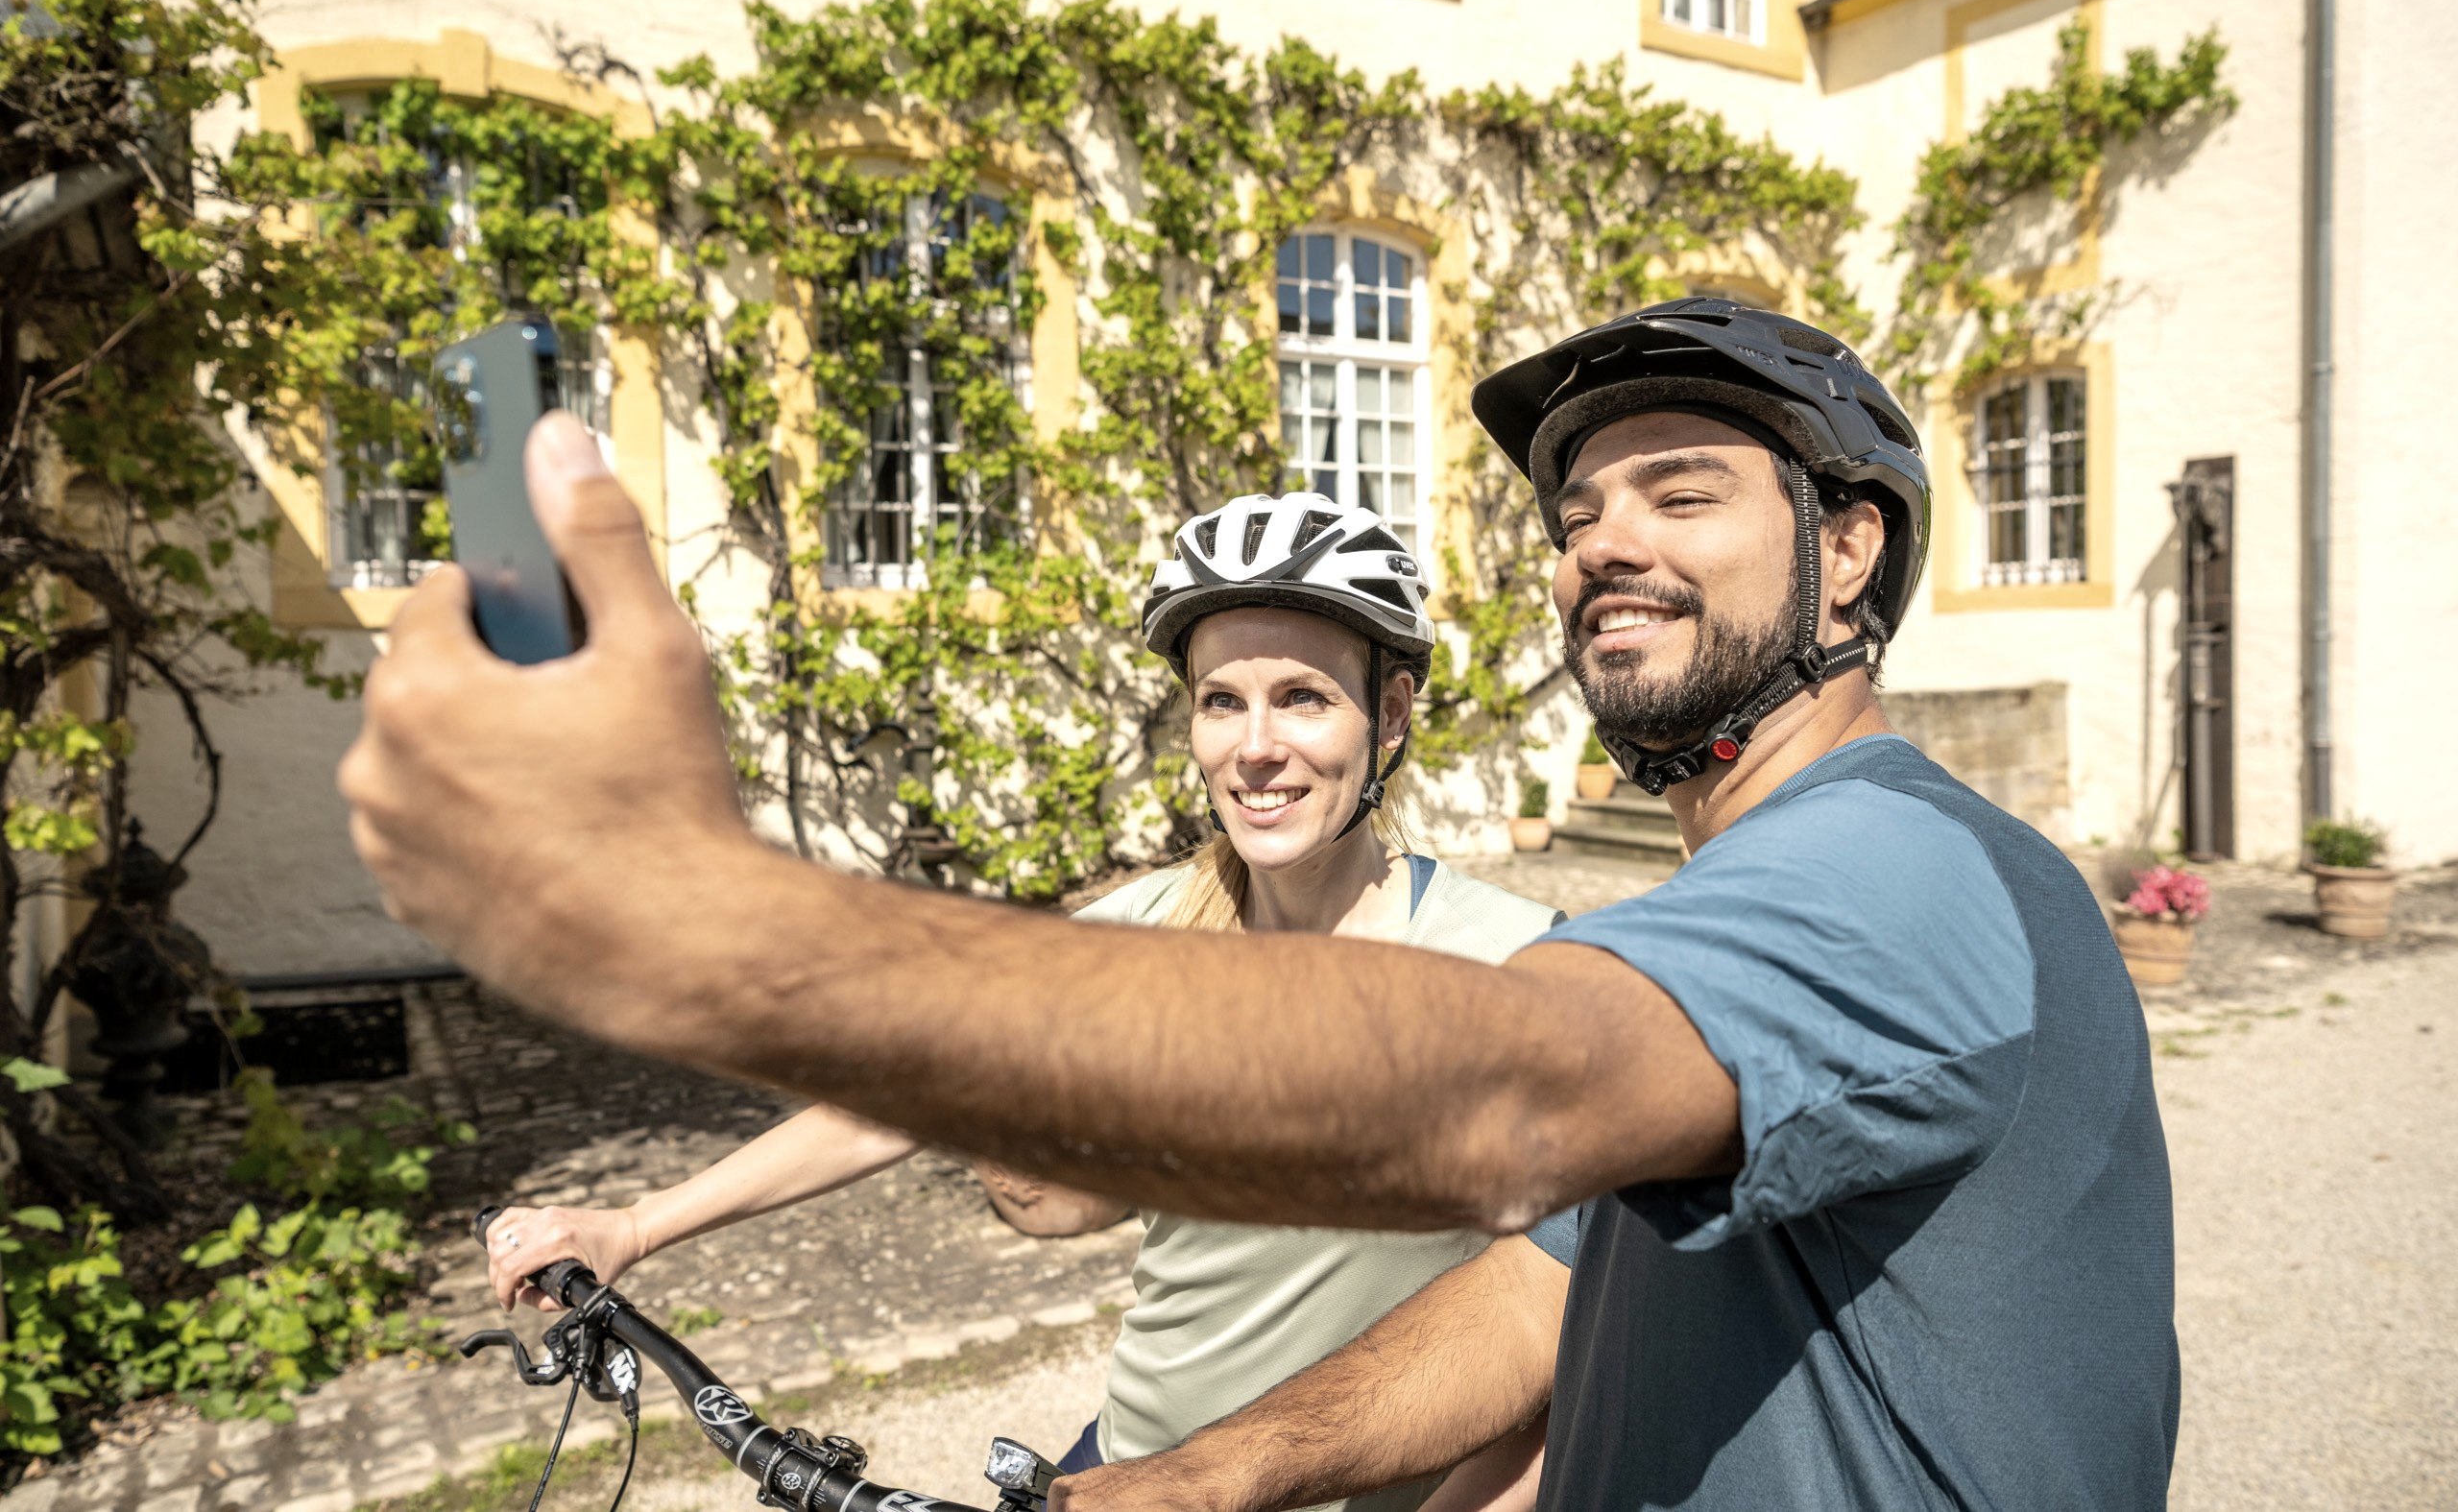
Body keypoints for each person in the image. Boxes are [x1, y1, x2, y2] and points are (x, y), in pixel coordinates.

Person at [342, 299, 2179, 1509]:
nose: (1602, 541)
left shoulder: (1898, 866)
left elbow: (1502, 1100)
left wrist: (710, 927)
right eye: (1574, 514)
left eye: (1679, 492)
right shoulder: (1726, 920)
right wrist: (1214, 1472)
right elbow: (1546, 1291)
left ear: (1850, 548)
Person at [475, 492, 1566, 1512]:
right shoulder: (1137, 935)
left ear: (1389, 714)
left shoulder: (1516, 963)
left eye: (1303, 699)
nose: (1255, 749)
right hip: (1119, 1476)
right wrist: (632, 1225)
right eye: (1221, 702)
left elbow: (1571, 1335)